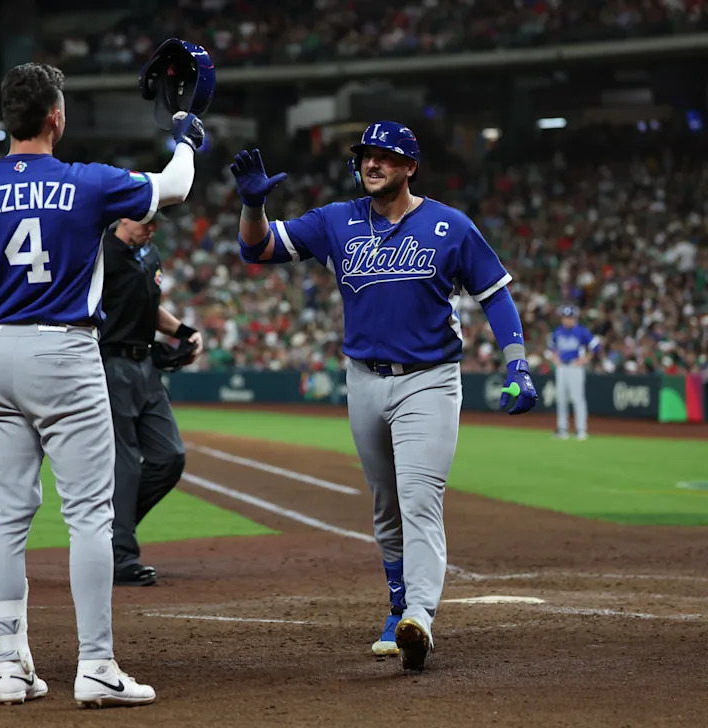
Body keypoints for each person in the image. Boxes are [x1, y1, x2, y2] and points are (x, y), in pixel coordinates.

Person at [0, 62, 205, 708]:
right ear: (55, 118)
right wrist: (188, 138)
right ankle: (96, 665)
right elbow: (175, 185)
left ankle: (12, 666)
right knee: (89, 512)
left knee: (7, 517)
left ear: (9, 121)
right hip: (65, 352)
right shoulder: (84, 183)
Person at [229, 122, 538, 672]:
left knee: (420, 497)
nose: (372, 165)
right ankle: (398, 606)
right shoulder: (336, 221)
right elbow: (258, 249)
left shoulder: (450, 225)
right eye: (366, 157)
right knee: (386, 505)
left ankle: (419, 615)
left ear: (409, 167)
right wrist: (253, 206)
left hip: (429, 379)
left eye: (385, 157)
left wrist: (517, 362)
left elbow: (495, 294)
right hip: (364, 379)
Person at [99, 216, 202, 586]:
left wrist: (183, 331)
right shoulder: (100, 253)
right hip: (111, 364)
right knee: (124, 464)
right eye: (146, 220)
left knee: (169, 456)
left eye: (157, 221)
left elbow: (148, 307)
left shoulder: (149, 253)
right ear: (124, 216)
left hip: (146, 366)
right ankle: (120, 556)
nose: (153, 227)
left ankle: (107, 532)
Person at [549, 305, 600, 440]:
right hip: (562, 367)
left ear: (574, 318)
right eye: (565, 317)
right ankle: (562, 429)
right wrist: (555, 359)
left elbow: (595, 346)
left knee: (578, 398)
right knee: (561, 399)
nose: (567, 320)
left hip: (575, 367)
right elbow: (551, 348)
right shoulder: (558, 331)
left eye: (570, 317)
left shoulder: (581, 331)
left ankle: (581, 429)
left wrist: (585, 359)